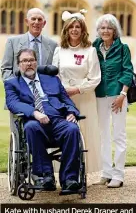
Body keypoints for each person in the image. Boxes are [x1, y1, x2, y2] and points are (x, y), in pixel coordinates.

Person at [4, 48, 81, 192]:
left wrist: (72, 112)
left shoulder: (52, 79)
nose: (29, 64)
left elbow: (65, 99)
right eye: (24, 61)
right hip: (35, 122)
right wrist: (35, 113)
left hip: (58, 119)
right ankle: (45, 175)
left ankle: (69, 179)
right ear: (19, 65)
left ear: (36, 62)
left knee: (72, 128)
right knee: (30, 127)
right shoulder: (12, 84)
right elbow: (13, 103)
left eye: (31, 60)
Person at [52, 10, 101, 175]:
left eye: (77, 26)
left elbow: (95, 78)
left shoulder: (90, 50)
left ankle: (84, 171)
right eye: (71, 26)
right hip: (64, 98)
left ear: (82, 29)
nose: (74, 29)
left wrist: (77, 89)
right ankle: (64, 171)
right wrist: (62, 91)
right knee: (65, 131)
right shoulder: (59, 50)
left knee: (85, 132)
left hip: (84, 97)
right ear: (66, 30)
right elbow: (54, 75)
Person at [93, 14, 133, 188]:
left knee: (118, 135)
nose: (105, 31)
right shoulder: (94, 46)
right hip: (100, 94)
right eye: (102, 28)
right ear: (98, 30)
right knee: (103, 135)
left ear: (115, 30)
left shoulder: (123, 48)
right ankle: (106, 172)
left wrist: (122, 95)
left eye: (109, 28)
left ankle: (119, 174)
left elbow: (127, 72)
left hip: (118, 96)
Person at [1, 8, 57, 81]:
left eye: (39, 19)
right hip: (20, 90)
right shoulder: (12, 42)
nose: (36, 22)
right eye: (33, 19)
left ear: (44, 24)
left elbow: (55, 71)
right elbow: (6, 69)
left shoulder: (53, 45)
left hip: (45, 90)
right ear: (27, 22)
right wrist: (15, 86)